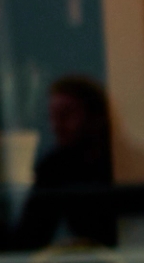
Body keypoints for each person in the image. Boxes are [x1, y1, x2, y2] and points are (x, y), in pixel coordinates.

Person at [12, 76, 123, 249]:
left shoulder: (124, 164)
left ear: (96, 117)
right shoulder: (54, 168)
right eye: (53, 117)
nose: (56, 126)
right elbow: (33, 231)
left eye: (67, 114)